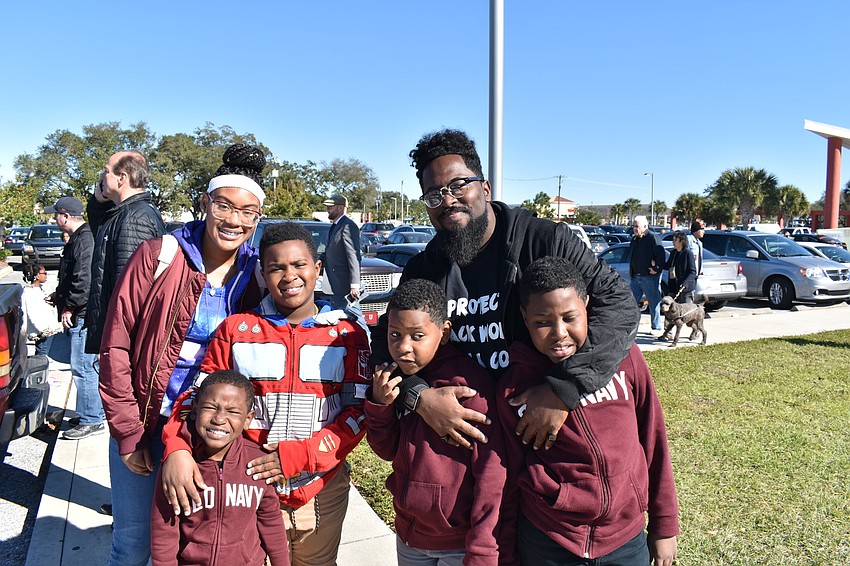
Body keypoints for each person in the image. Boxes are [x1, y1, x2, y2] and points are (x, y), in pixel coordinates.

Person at [370, 128, 639, 451]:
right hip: (470, 449)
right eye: (434, 195)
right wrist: (419, 397)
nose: (447, 200)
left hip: (538, 438)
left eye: (458, 185)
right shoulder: (424, 268)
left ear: (485, 187)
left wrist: (564, 388)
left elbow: (619, 304)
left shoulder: (545, 241)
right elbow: (385, 341)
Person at [159, 222, 371, 566]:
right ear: (262, 272)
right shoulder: (236, 330)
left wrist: (300, 456)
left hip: (321, 485)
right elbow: (196, 400)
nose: (290, 276)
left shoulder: (346, 334)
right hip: (250, 482)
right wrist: (177, 447)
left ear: (317, 269)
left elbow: (360, 411)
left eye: (300, 265)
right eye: (276, 267)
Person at [98, 144, 267, 566]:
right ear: (206, 203)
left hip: (209, 432)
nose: (234, 220)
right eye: (224, 206)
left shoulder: (256, 273)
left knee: (195, 544)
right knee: (134, 545)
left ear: (257, 218)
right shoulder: (160, 256)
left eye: (247, 211)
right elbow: (116, 344)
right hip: (145, 422)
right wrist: (128, 432)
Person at [498, 257, 679, 566]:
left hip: (626, 536)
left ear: (586, 306)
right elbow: (508, 479)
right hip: (549, 540)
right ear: (524, 317)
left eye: (570, 317)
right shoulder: (514, 390)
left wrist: (664, 525)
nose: (559, 333)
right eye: (542, 321)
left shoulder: (626, 360)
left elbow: (653, 439)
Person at [366, 279, 505, 565]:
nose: (403, 347)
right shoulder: (396, 380)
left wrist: (483, 547)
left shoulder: (469, 388)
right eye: (395, 335)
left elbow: (492, 474)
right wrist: (380, 405)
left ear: (443, 333)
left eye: (417, 336)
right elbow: (386, 450)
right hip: (409, 535)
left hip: (459, 542)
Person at [150, 369, 290, 566]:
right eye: (210, 407)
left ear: (248, 419)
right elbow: (164, 528)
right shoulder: (178, 467)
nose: (219, 418)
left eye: (233, 411)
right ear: (195, 409)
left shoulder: (258, 462)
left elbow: (271, 521)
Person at [85, 150, 165, 354]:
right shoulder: (123, 212)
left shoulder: (134, 218)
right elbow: (99, 228)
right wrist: (98, 200)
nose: (101, 178)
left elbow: (131, 292)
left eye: (106, 172)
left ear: (122, 177)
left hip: (123, 344)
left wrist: (118, 351)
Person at [48, 196, 104, 439]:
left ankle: (92, 420)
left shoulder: (85, 239)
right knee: (85, 367)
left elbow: (83, 281)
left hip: (83, 315)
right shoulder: (81, 237)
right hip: (81, 311)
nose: (54, 219)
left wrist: (70, 306)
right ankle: (91, 413)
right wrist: (58, 296)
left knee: (83, 368)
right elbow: (73, 277)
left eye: (55, 215)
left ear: (65, 216)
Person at [320, 193, 361, 308]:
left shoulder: (348, 226)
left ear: (340, 208)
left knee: (353, 318)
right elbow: (329, 251)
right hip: (335, 284)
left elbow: (353, 256)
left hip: (345, 287)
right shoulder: (335, 226)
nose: (327, 209)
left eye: (330, 207)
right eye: (327, 207)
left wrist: (354, 285)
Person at [629, 215, 666, 336]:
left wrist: (656, 268)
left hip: (649, 278)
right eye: (633, 226)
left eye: (637, 226)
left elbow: (661, 255)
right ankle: (631, 329)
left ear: (645, 226)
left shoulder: (652, 237)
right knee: (631, 303)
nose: (634, 228)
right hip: (636, 277)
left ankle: (656, 327)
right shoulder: (635, 239)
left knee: (654, 302)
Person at [21, 263, 62, 357]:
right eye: (44, 273)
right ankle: (39, 371)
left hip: (47, 328)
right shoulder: (29, 292)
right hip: (41, 331)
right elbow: (31, 313)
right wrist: (42, 330)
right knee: (42, 353)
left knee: (44, 351)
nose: (46, 275)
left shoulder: (42, 288)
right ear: (37, 275)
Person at [665, 231, 696, 303]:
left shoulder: (688, 253)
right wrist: (656, 265)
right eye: (673, 240)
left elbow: (692, 272)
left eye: (675, 240)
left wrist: (685, 283)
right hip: (673, 287)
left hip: (685, 289)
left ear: (681, 242)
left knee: (686, 312)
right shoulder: (673, 253)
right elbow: (668, 265)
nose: (673, 242)